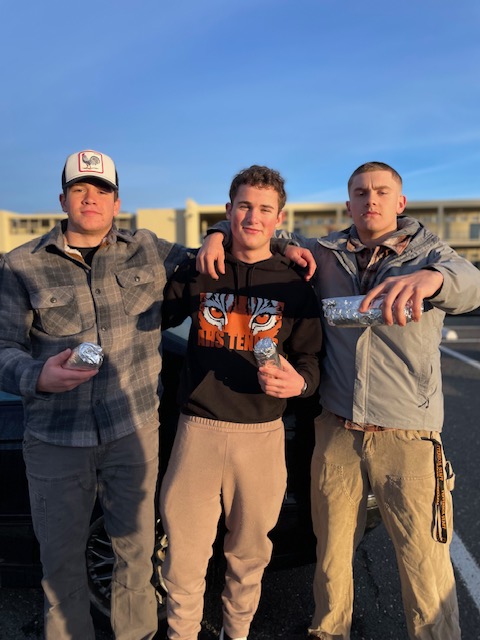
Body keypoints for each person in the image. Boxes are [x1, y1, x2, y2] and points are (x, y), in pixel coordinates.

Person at [198, 161, 480, 640]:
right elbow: (259, 228)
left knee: (424, 569)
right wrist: (217, 233)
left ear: (400, 202)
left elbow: (470, 285)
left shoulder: (432, 255)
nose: (370, 199)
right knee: (329, 562)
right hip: (335, 430)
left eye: (381, 191)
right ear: (348, 203)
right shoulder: (324, 253)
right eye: (360, 192)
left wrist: (432, 280)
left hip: (408, 435)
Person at [0, 149, 198, 640]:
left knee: (136, 556)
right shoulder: (19, 266)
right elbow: (2, 346)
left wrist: (220, 233)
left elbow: (216, 260)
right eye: (80, 189)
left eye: (102, 190)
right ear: (63, 199)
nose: (91, 198)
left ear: (117, 202)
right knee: (61, 563)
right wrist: (35, 376)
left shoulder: (148, 249)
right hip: (55, 439)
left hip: (133, 433)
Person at [160, 165, 323, 640]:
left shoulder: (295, 283)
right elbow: (153, 318)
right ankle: (182, 634)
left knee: (249, 557)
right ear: (228, 210)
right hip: (198, 431)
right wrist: (204, 244)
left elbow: (311, 358)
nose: (254, 217)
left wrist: (301, 385)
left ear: (279, 217)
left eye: (264, 209)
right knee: (184, 558)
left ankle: (238, 633)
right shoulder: (198, 268)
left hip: (262, 436)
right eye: (244, 206)